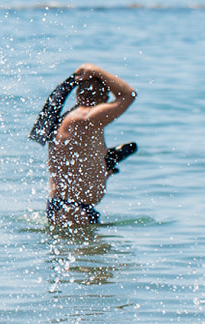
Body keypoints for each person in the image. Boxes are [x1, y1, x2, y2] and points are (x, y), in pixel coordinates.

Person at [44, 65, 136, 226]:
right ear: (105, 99)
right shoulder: (87, 117)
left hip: (67, 209)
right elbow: (128, 95)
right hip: (74, 212)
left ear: (78, 96)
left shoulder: (67, 120)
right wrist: (94, 70)